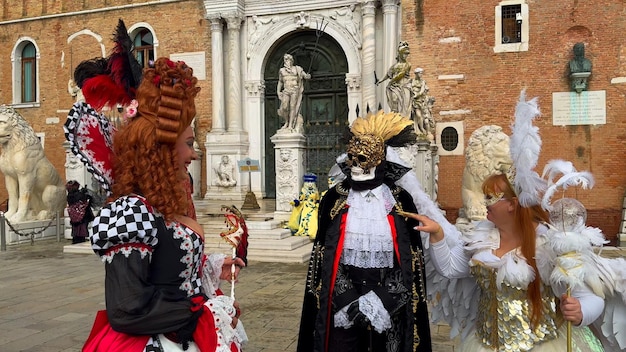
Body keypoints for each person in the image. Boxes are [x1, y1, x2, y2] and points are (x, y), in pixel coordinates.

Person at [82, 58, 247, 352]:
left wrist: (208, 265)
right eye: (188, 144)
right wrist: (200, 315)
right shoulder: (131, 211)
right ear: (161, 151)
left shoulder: (161, 205)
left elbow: (167, 266)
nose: (194, 155)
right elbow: (127, 308)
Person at [403, 173, 605, 351]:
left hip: (542, 345)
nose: (484, 202)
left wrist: (580, 312)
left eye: (490, 197)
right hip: (486, 344)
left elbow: (593, 298)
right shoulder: (481, 237)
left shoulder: (551, 245)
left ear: (512, 204)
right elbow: (450, 268)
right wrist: (437, 234)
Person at [297, 111, 433, 352]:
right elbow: (324, 257)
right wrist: (348, 299)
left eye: (362, 159)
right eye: (351, 159)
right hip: (342, 304)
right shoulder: (333, 199)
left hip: (388, 306)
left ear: (379, 161)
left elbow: (410, 261)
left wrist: (380, 301)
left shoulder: (400, 202)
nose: (355, 166)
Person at [376, 41, 413, 117]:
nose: (406, 56)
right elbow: (388, 74)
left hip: (405, 86)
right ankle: (395, 117)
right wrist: (380, 81)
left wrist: (391, 81)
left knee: (405, 104)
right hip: (395, 86)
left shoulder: (408, 64)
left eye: (407, 54)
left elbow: (401, 74)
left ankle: (403, 119)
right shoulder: (395, 66)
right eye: (404, 53)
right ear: (400, 54)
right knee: (394, 100)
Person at [277, 53, 310, 131]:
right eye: (286, 60)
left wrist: (307, 76)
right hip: (286, 90)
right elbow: (280, 81)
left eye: (289, 60)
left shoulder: (297, 69)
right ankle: (286, 122)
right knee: (284, 107)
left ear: (292, 61)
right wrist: (278, 91)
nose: (287, 61)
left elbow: (305, 75)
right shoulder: (281, 71)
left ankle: (290, 125)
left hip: (294, 90)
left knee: (292, 107)